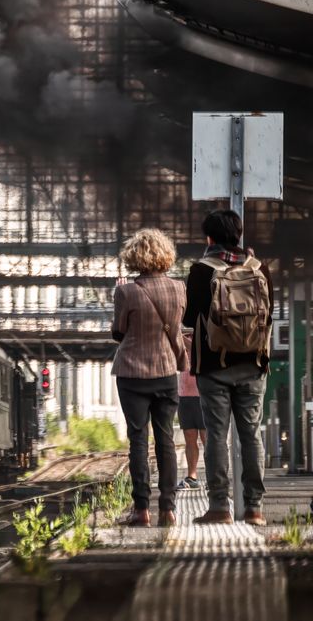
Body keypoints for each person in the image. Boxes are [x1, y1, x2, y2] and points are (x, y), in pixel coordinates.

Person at [184, 209, 273, 526]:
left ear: (209, 238)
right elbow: (268, 314)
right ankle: (254, 509)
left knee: (217, 436)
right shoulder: (260, 268)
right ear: (239, 234)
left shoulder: (201, 270)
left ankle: (219, 507)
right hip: (253, 364)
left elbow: (188, 318)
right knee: (251, 436)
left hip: (213, 365)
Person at [111, 228, 187, 528]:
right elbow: (177, 326)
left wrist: (118, 298)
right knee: (165, 439)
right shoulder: (179, 288)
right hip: (166, 371)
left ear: (134, 257)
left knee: (138, 440)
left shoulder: (126, 292)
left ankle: (141, 510)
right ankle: (168, 509)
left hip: (131, 374)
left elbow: (119, 332)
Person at [176, 352, 207, 491]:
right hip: (185, 393)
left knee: (207, 438)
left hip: (205, 391)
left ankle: (213, 477)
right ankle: (192, 477)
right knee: (189, 437)